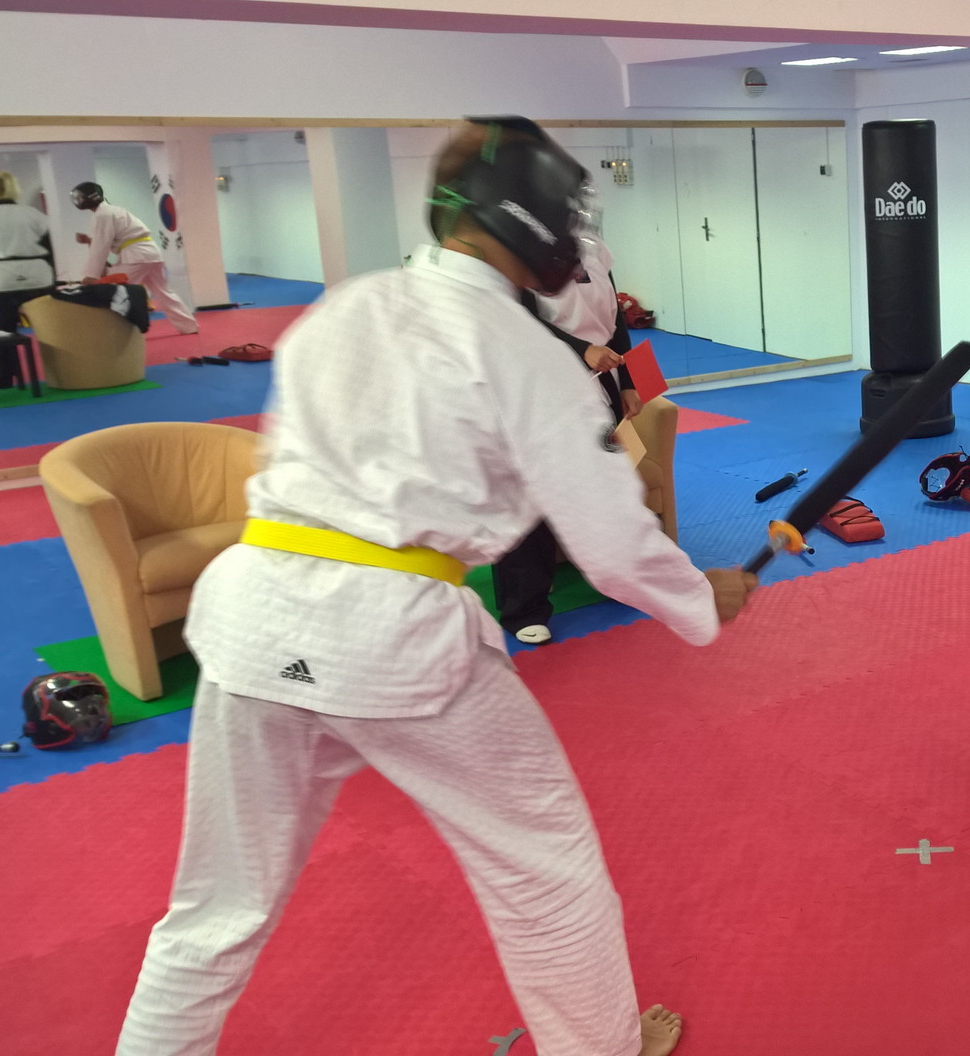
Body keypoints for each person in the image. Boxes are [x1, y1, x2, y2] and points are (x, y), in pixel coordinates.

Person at [115, 116, 754, 1056]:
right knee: (545, 873)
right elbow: (612, 541)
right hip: (393, 638)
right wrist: (701, 596)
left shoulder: (347, 307)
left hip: (251, 616)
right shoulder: (520, 349)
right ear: (527, 216)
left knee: (214, 907)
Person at [497, 210, 644, 646]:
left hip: (600, 384)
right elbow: (518, 320)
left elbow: (616, 322)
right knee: (533, 497)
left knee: (604, 482)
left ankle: (615, 575)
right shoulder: (518, 257)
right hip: (539, 387)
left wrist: (629, 382)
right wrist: (582, 350)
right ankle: (524, 608)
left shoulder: (596, 255)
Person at [70, 181, 199, 334]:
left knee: (114, 290)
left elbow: (101, 246)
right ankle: (189, 326)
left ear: (90, 197)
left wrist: (91, 275)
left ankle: (117, 331)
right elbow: (107, 241)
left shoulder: (103, 214)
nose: (78, 201)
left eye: (80, 197)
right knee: (164, 292)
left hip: (136, 257)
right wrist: (89, 241)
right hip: (151, 254)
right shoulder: (113, 210)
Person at [0, 169, 54, 388]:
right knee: (51, 327)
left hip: (1, 277)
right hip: (38, 276)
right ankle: (61, 372)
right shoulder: (32, 214)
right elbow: (48, 246)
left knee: (1, 330)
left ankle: (3, 379)